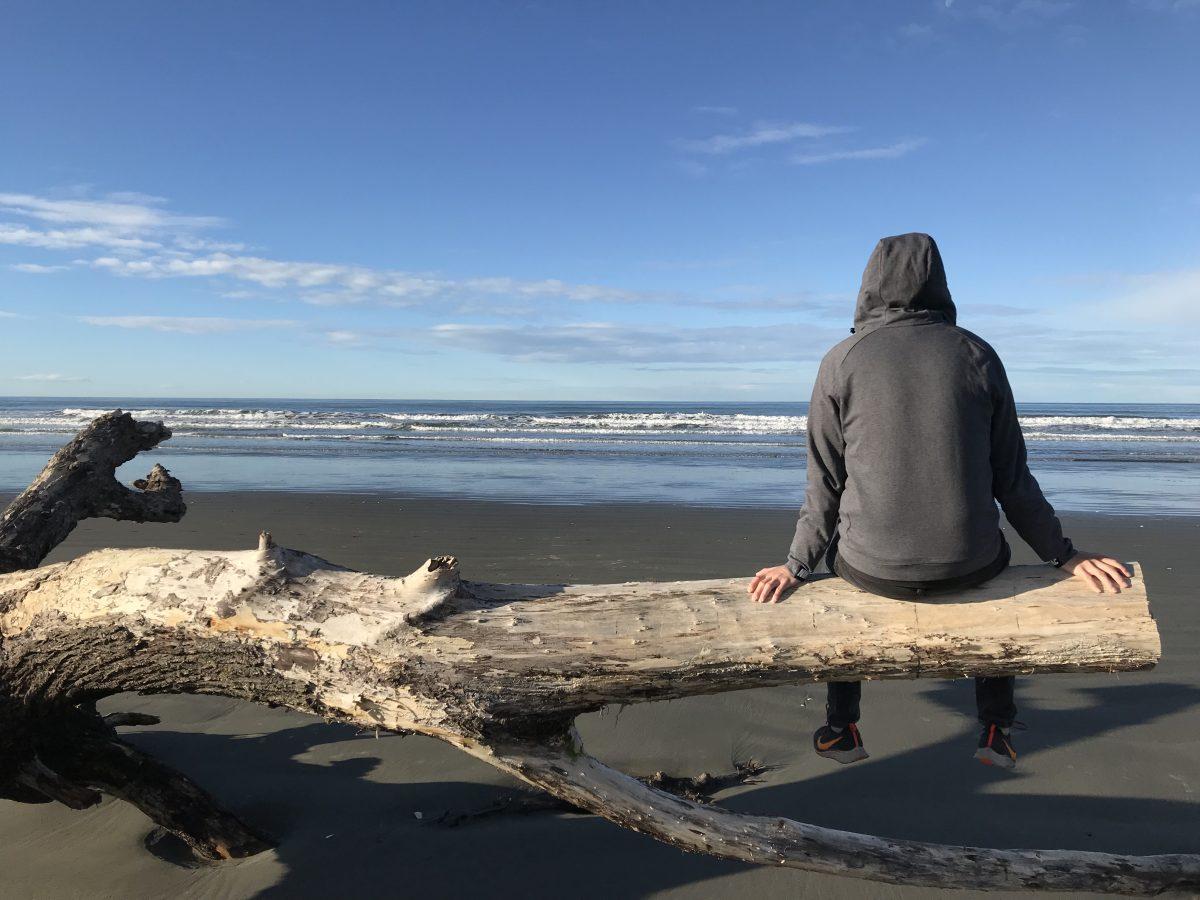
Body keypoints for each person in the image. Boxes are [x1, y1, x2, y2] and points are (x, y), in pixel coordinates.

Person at [747, 233, 1131, 770]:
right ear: (939, 284)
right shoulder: (977, 354)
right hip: (969, 567)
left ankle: (841, 728)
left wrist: (795, 565)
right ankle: (996, 726)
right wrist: (1062, 554)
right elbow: (1012, 479)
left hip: (872, 571)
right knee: (996, 554)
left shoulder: (840, 361)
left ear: (869, 285)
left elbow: (826, 484)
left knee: (839, 555)